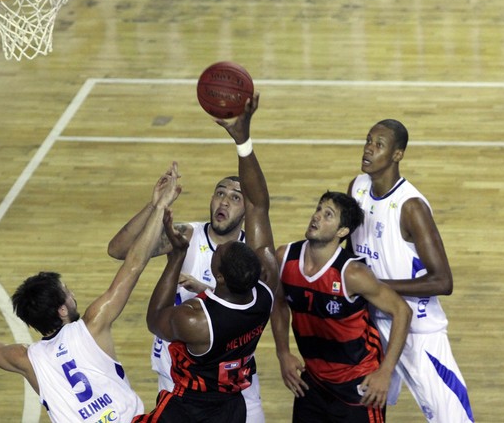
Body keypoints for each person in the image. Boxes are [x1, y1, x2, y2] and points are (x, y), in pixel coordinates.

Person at [0, 162, 182, 423]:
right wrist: (158, 207)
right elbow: (134, 264)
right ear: (61, 309)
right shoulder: (93, 324)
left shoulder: (26, 359)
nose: (73, 295)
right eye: (67, 293)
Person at [133, 92, 278, 422]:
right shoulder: (265, 292)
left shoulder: (196, 319)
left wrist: (175, 259)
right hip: (234, 400)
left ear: (220, 277)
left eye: (223, 253)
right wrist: (243, 142)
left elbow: (155, 318)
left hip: (192, 403)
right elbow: (259, 206)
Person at [107, 154, 265, 420]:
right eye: (219, 193)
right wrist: (155, 205)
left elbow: (253, 307)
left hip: (236, 380)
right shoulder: (187, 235)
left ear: (247, 209)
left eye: (235, 197)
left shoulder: (250, 255)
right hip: (180, 376)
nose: (224, 201)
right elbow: (118, 249)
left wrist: (206, 290)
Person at [347, 119, 475, 422]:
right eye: (367, 140)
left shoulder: (411, 206)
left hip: (418, 328)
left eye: (379, 144)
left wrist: (377, 287)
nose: (368, 148)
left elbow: (443, 281)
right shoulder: (357, 188)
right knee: (360, 409)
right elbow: (350, 251)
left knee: (451, 417)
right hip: (372, 325)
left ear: (397, 155)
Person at [271, 190, 412, 422]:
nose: (317, 217)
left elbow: (402, 312)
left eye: (328, 215)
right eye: (318, 209)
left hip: (357, 383)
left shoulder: (353, 274)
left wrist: (385, 372)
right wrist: (283, 353)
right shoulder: (285, 257)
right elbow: (278, 303)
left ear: (342, 231)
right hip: (313, 381)